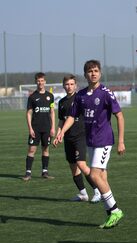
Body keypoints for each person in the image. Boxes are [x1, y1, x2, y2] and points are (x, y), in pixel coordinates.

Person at [54, 60, 125, 229]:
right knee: (101, 177)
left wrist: (121, 141)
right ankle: (110, 216)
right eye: (90, 71)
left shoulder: (106, 93)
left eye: (96, 70)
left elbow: (119, 116)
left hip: (104, 140)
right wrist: (62, 132)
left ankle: (115, 210)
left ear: (100, 73)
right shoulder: (80, 96)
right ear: (85, 75)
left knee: (93, 175)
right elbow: (71, 116)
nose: (93, 73)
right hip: (91, 140)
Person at [56, 74, 101, 202]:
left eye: (71, 84)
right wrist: (59, 134)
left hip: (80, 136)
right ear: (63, 86)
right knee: (73, 166)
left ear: (75, 85)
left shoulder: (80, 99)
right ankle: (83, 194)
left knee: (81, 164)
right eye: (67, 84)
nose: (69, 87)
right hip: (68, 138)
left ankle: (97, 191)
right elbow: (61, 121)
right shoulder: (62, 102)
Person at [22, 72, 55, 181]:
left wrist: (53, 127)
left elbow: (52, 112)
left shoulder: (50, 96)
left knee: (46, 149)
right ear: (36, 82)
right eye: (38, 81)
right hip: (35, 128)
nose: (40, 83)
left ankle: (44, 172)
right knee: (32, 150)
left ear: (45, 82)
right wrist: (30, 128)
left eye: (42, 81)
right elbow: (28, 113)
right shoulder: (32, 97)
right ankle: (28, 173)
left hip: (47, 128)